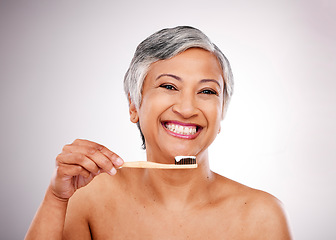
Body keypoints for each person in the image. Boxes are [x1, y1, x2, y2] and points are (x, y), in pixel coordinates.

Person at [25, 26, 292, 239]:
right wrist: (56, 198)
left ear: (222, 114)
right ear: (134, 104)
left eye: (207, 91)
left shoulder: (262, 216)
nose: (187, 109)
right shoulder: (88, 196)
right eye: (168, 86)